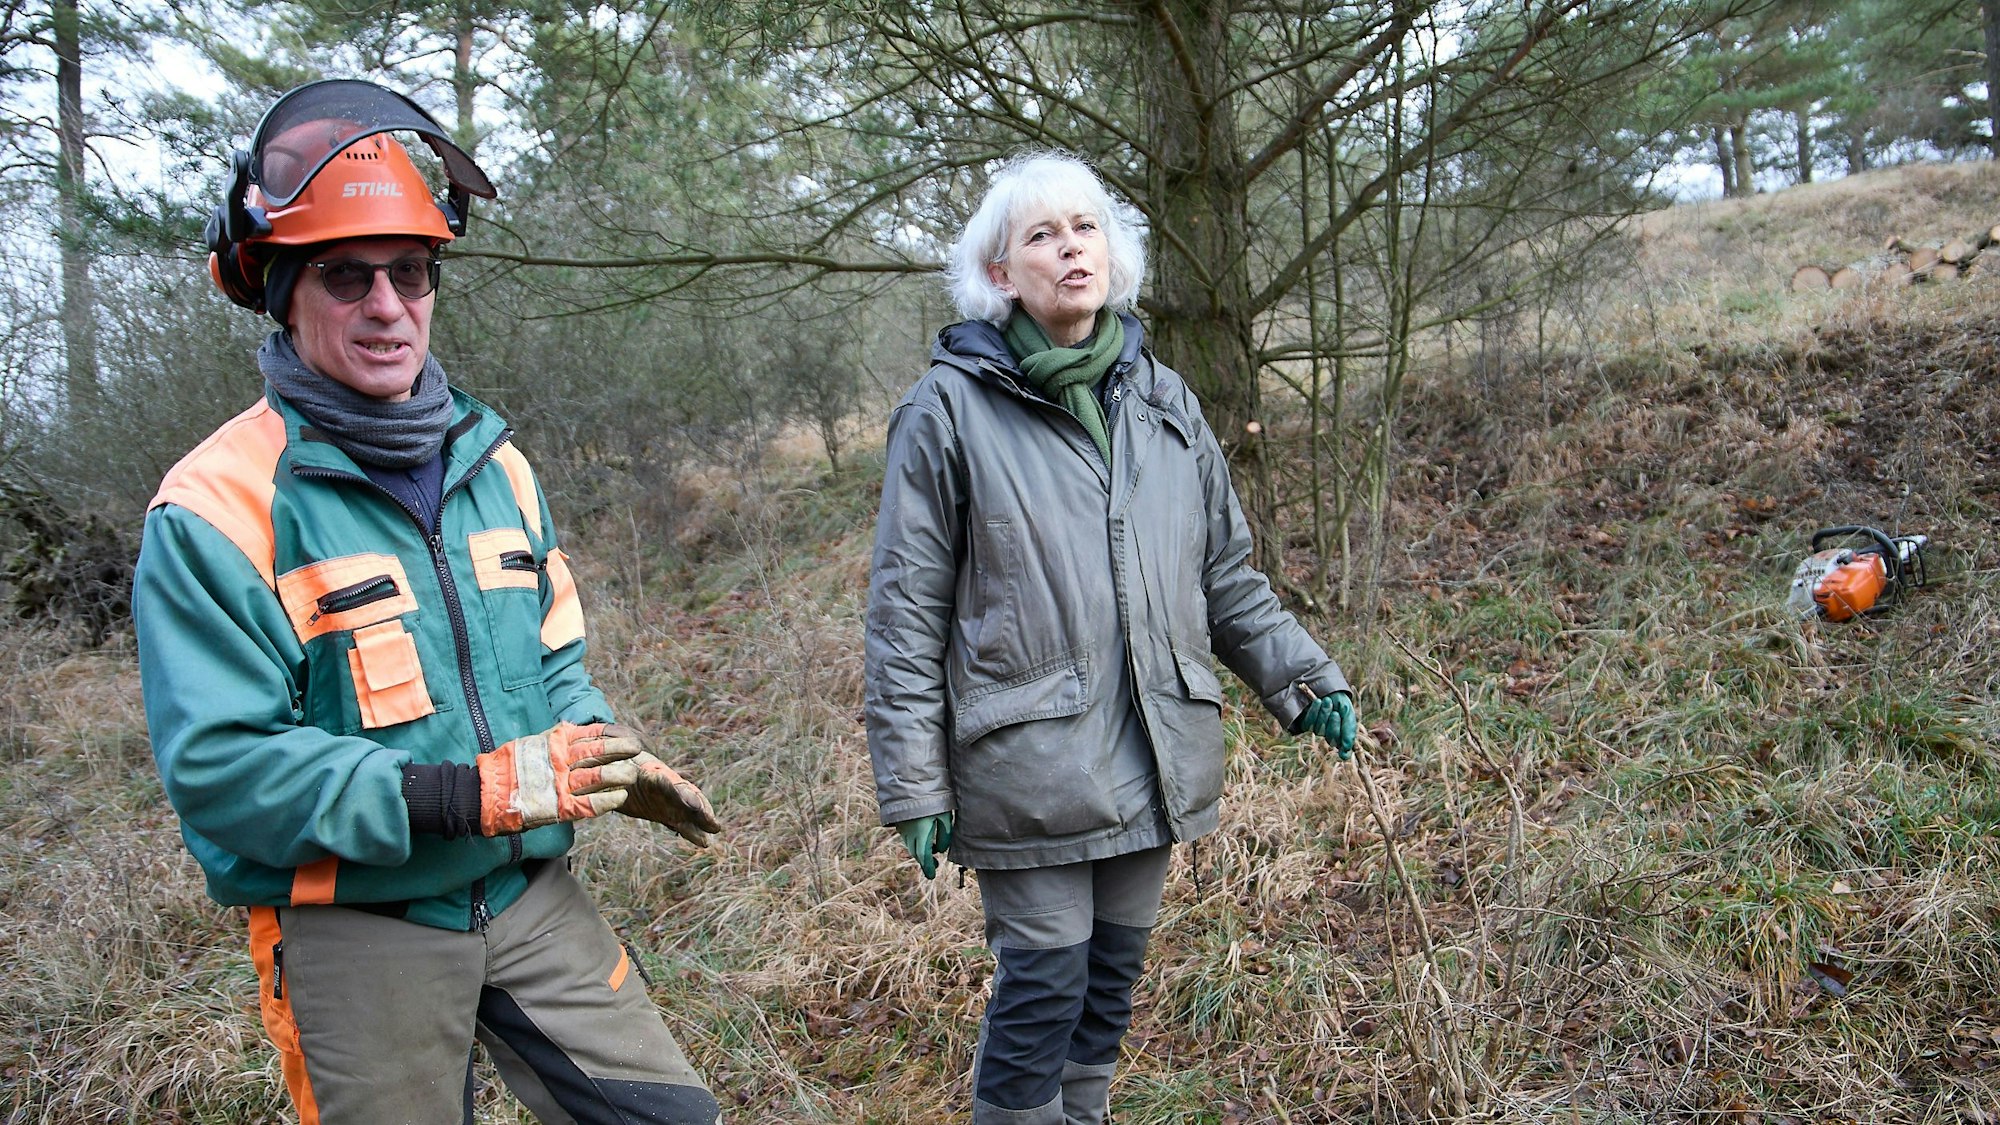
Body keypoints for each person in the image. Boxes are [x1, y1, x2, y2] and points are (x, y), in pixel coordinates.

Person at [133, 79, 725, 1125]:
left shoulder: (496, 467)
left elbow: (549, 663)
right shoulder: (215, 507)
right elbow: (223, 773)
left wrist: (597, 752)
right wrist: (464, 795)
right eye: (345, 276)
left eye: (411, 271)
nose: (387, 306)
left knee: (673, 1116)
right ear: (281, 291)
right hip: (361, 922)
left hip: (526, 896)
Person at [863, 151, 1360, 1125]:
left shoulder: (1166, 402)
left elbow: (1223, 576)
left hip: (1153, 748)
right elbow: (904, 616)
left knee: (1106, 988)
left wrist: (1300, 678)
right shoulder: (947, 412)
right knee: (1042, 991)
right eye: (1040, 235)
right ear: (1000, 272)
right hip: (1027, 767)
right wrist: (913, 781)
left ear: (1111, 252)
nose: (1068, 248)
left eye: (1083, 227)